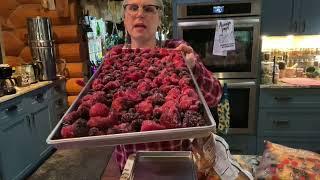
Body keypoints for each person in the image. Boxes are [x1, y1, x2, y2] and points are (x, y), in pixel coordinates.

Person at [109, 0, 223, 171]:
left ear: (159, 18)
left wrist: (193, 69)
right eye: (133, 8)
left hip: (179, 165)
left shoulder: (178, 51)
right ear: (124, 17)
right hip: (131, 166)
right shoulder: (115, 56)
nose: (140, 14)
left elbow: (215, 96)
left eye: (148, 9)